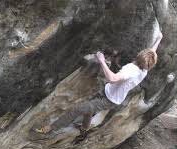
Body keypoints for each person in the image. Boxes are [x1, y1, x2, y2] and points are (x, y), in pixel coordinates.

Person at [35, 31, 163, 135]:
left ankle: (51, 128)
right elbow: (152, 52)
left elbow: (112, 78)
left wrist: (101, 61)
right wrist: (158, 39)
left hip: (109, 100)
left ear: (139, 55)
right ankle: (84, 129)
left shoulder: (132, 70)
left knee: (78, 109)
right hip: (108, 92)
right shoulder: (144, 70)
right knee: (89, 108)